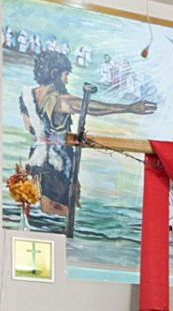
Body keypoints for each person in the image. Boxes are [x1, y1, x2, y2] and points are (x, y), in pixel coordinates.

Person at [21, 49, 155, 214]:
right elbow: (90, 108)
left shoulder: (27, 97)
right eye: (65, 74)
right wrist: (129, 107)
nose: (67, 79)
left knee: (46, 207)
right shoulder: (57, 101)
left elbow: (30, 128)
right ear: (54, 73)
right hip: (59, 162)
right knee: (62, 210)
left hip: (38, 159)